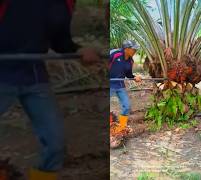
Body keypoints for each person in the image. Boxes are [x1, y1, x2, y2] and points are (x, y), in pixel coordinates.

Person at [0, 0, 100, 179]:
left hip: (34, 76)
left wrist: (79, 50)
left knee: (55, 144)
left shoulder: (64, 3)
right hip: (2, 72)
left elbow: (61, 40)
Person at [109, 40, 142, 134]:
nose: (135, 51)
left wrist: (135, 77)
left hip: (120, 85)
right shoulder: (114, 54)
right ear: (126, 49)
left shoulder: (131, 61)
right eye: (134, 49)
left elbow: (129, 74)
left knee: (126, 106)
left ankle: (122, 127)